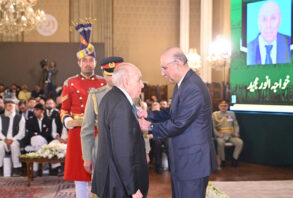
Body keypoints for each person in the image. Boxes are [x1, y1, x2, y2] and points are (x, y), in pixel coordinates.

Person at [138, 47, 217, 198]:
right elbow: (172, 113)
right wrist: (148, 114)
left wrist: (150, 127)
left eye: (164, 68)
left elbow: (179, 123)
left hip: (193, 162)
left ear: (178, 63)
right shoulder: (183, 84)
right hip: (184, 161)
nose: (162, 73)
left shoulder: (192, 86)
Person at [60, 23, 106, 198]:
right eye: (84, 60)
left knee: (100, 169)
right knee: (79, 173)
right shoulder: (69, 82)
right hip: (78, 131)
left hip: (99, 130)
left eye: (91, 60)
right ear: (78, 62)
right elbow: (63, 110)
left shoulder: (103, 82)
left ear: (95, 62)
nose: (88, 63)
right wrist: (67, 121)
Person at [92, 63, 149, 198]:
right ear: (125, 81)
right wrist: (133, 188)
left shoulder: (111, 97)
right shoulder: (121, 105)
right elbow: (123, 152)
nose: (142, 85)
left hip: (114, 179)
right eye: (139, 80)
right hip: (119, 184)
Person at [81, 56, 124, 174]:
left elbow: (140, 126)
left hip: (127, 149)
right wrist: (87, 157)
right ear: (104, 75)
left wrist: (145, 150)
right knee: (102, 187)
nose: (113, 78)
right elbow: (87, 129)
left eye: (116, 74)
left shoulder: (133, 94)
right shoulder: (95, 96)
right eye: (109, 74)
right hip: (103, 148)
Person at [247, 0, 291, 65]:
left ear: (279, 20)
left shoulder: (290, 44)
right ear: (258, 22)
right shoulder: (248, 49)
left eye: (273, 18)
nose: (268, 25)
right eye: (264, 19)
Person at [212, 100, 243, 167]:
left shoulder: (231, 114)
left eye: (225, 106)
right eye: (222, 106)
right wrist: (218, 134)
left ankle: (235, 159)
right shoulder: (215, 114)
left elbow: (235, 124)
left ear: (227, 107)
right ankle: (223, 160)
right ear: (219, 107)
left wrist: (236, 132)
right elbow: (213, 127)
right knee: (220, 143)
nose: (223, 107)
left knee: (239, 142)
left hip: (231, 135)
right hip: (221, 135)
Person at [0, 95, 25, 176]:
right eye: (7, 105)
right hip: (4, 140)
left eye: (11, 104)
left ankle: (17, 168)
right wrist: (5, 139)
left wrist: (12, 140)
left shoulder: (20, 117)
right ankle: (0, 168)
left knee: (14, 145)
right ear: (4, 106)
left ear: (15, 106)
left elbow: (22, 133)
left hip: (15, 140)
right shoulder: (1, 117)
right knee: (0, 145)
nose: (9, 106)